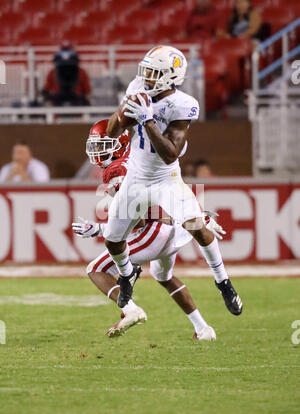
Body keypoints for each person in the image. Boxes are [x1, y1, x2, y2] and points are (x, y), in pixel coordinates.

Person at [100, 41, 244, 317]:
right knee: (112, 240)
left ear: (170, 76)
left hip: (166, 178)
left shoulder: (183, 104)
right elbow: (112, 131)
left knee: (197, 226)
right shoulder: (137, 88)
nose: (146, 78)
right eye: (146, 71)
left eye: (153, 73)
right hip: (136, 178)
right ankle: (127, 274)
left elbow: (170, 154)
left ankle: (223, 281)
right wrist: (124, 112)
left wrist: (148, 120)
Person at [72, 120, 230, 340]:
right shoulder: (141, 158)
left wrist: (98, 229)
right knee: (163, 275)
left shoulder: (116, 171)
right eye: (96, 146)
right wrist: (199, 218)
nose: (97, 151)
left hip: (154, 231)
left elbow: (136, 223)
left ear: (119, 144)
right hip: (174, 227)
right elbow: (176, 190)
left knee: (95, 269)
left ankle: (131, 309)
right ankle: (203, 329)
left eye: (102, 145)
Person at [42, 42, 91, 106]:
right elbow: (46, 90)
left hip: (76, 103)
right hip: (59, 103)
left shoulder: (82, 72)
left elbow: (87, 91)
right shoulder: (52, 72)